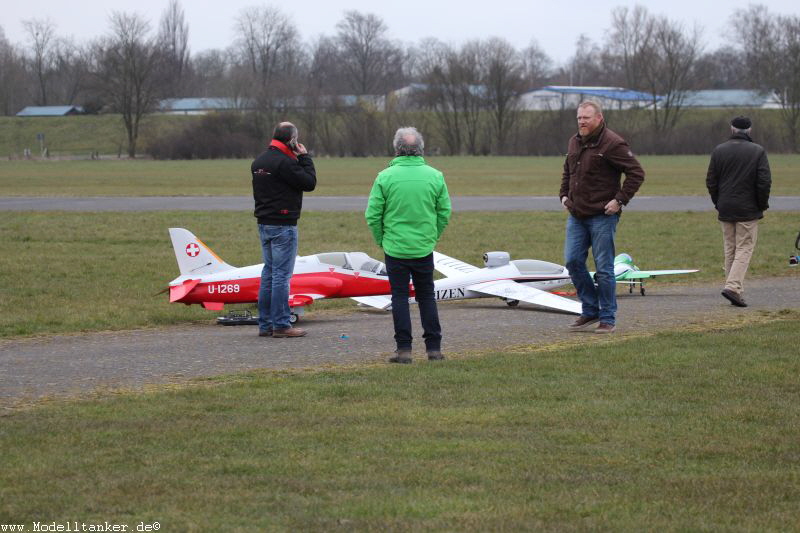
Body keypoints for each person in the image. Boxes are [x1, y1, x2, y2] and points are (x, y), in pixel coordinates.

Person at [365, 127, 451, 363]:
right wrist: (433, 236)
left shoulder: (384, 177)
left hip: (395, 248)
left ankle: (404, 350)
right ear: (420, 149)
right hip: (423, 246)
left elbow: (373, 215)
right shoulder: (435, 176)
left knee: (400, 297)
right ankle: (434, 348)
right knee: (426, 296)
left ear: (397, 149)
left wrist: (381, 240)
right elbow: (444, 212)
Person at [559, 100, 645, 333]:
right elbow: (568, 169)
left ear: (599, 118)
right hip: (576, 214)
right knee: (573, 262)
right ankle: (590, 310)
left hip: (602, 216)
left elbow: (637, 173)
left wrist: (619, 200)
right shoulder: (574, 141)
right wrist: (563, 196)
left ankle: (607, 317)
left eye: (586, 118)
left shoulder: (613, 143)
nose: (581, 122)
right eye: (579, 118)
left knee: (604, 268)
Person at [252, 122, 316, 337]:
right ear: (292, 140)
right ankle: (281, 325)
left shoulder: (259, 161)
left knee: (268, 274)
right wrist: (305, 157)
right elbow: (309, 182)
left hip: (264, 223)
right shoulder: (285, 163)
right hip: (283, 225)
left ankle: (265, 324)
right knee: (281, 276)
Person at [706, 116, 771, 307]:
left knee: (730, 249)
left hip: (725, 207)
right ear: (749, 130)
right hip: (748, 208)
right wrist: (761, 204)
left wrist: (718, 202)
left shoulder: (719, 150)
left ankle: (734, 291)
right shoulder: (758, 151)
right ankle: (733, 287)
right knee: (744, 248)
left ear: (732, 129)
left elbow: (711, 181)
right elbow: (764, 182)